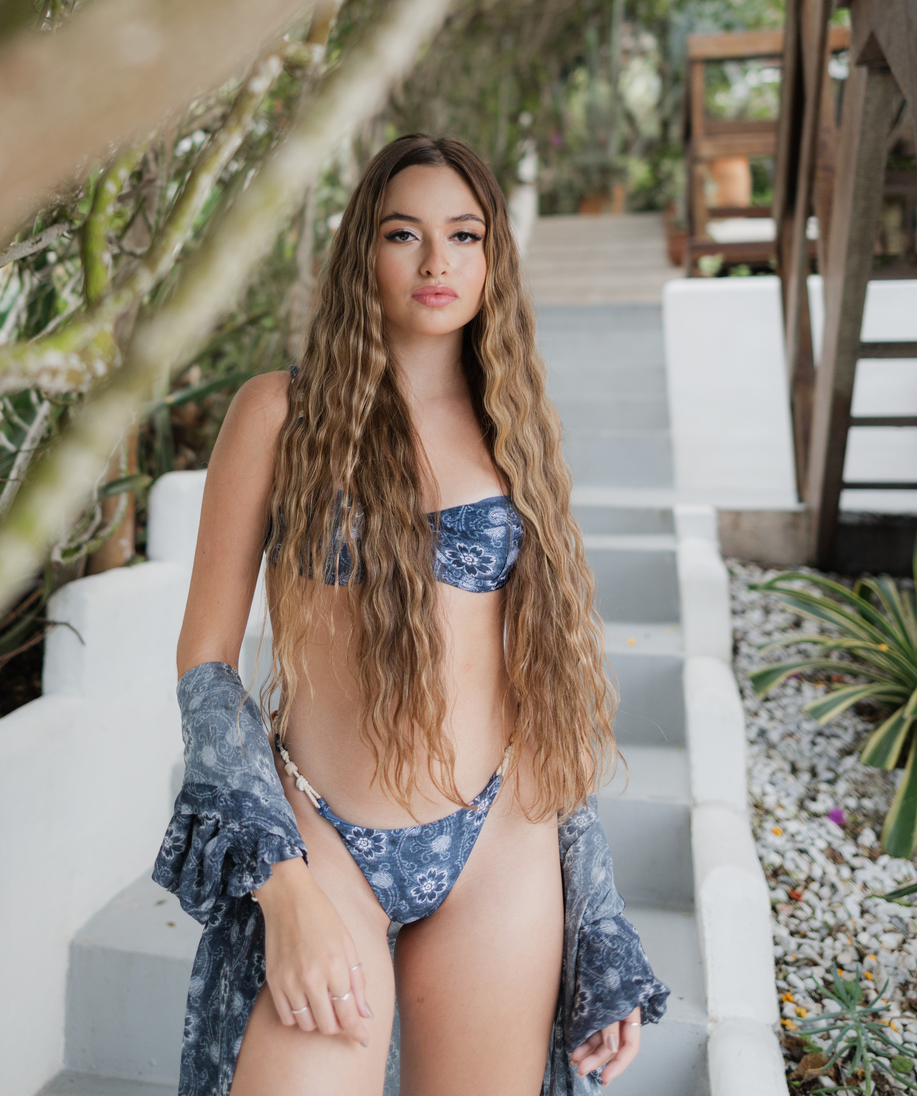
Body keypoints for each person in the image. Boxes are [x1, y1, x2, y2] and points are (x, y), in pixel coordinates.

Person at [155, 135, 667, 1095]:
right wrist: (282, 883)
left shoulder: (517, 429)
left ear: (491, 256)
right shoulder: (279, 415)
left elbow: (546, 687)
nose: (438, 262)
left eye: (464, 235)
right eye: (405, 234)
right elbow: (206, 665)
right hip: (323, 840)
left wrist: (596, 920)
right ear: (365, 252)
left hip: (499, 846)